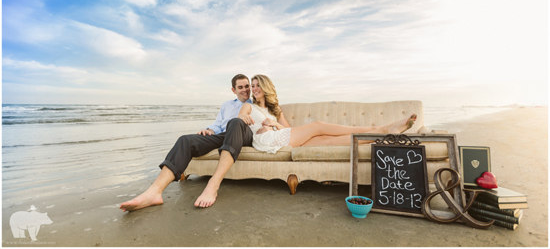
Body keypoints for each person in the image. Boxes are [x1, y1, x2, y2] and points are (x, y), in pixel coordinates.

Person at [120, 74, 254, 211]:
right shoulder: (227, 105)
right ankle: (154, 192)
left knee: (236, 122)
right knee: (186, 140)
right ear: (234, 90)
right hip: (224, 136)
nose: (245, 90)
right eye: (240, 87)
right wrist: (208, 130)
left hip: (244, 136)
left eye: (247, 86)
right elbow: (218, 125)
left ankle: (212, 187)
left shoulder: (255, 103)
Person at [238, 75, 417, 153]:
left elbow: (289, 129)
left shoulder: (275, 109)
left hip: (281, 137)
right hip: (264, 140)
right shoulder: (248, 106)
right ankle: (381, 127)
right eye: (252, 86)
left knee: (327, 140)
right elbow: (239, 121)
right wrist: (249, 120)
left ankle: (379, 134)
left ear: (266, 87)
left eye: (257, 85)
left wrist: (275, 123)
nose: (254, 89)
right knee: (318, 126)